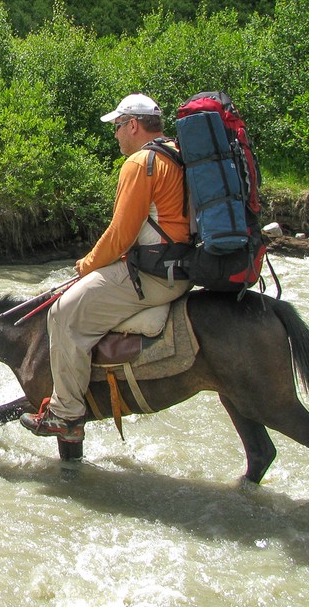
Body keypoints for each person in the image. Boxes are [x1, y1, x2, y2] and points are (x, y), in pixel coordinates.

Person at [20, 93, 192, 443]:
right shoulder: (177, 153)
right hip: (182, 269)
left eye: (117, 126)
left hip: (155, 276)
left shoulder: (140, 163)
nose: (115, 135)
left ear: (132, 124)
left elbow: (120, 236)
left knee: (62, 312)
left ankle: (66, 414)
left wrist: (87, 265)